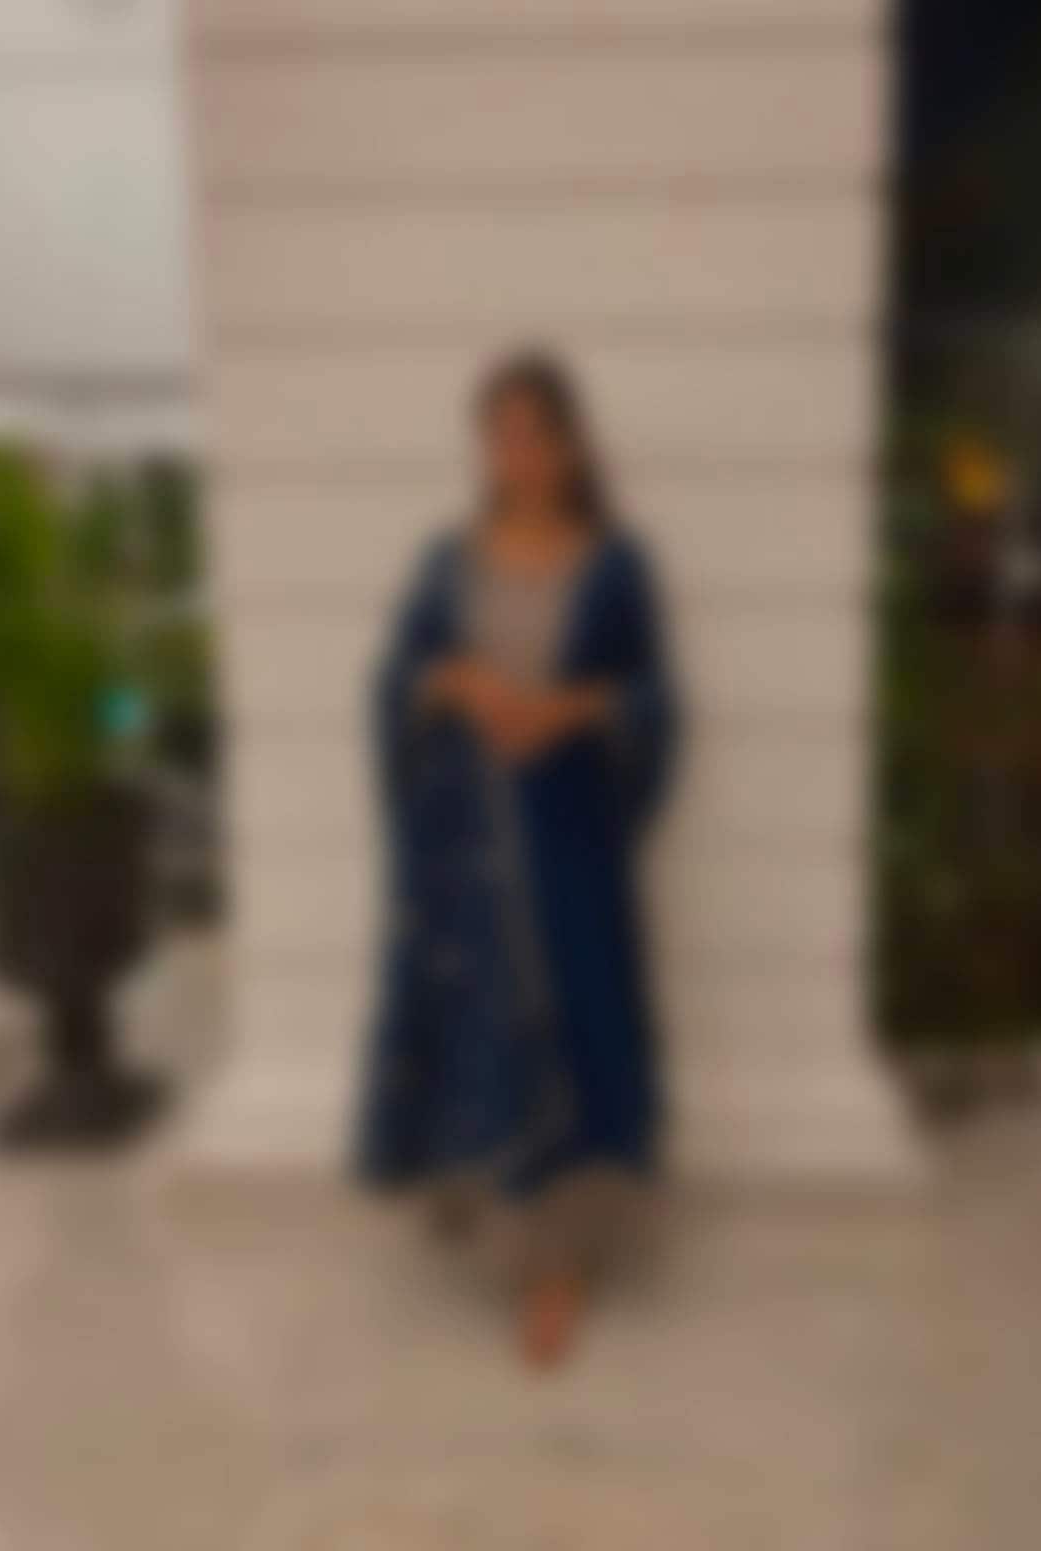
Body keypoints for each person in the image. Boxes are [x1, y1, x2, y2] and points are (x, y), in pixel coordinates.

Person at [356, 352, 679, 1367]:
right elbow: (399, 677)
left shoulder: (614, 564)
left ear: (572, 444)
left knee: (573, 1027)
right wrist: (458, 684)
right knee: (481, 1023)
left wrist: (567, 710)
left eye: (535, 432)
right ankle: (496, 1220)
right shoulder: (447, 561)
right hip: (465, 850)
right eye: (498, 435)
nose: (516, 453)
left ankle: (555, 1269)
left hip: (569, 840)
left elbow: (655, 697)